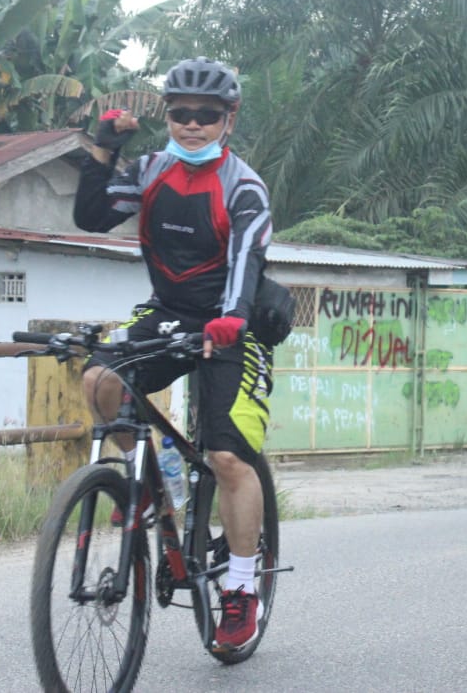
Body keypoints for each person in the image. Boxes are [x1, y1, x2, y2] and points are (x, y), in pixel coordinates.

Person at [72, 56, 274, 652]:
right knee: (99, 383)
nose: (191, 125)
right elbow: (90, 216)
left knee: (228, 456)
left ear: (227, 120)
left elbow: (246, 260)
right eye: (181, 114)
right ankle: (157, 493)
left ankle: (240, 590)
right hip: (167, 310)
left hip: (233, 322)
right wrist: (102, 152)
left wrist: (232, 318)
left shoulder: (244, 185)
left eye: (205, 116)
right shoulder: (151, 169)